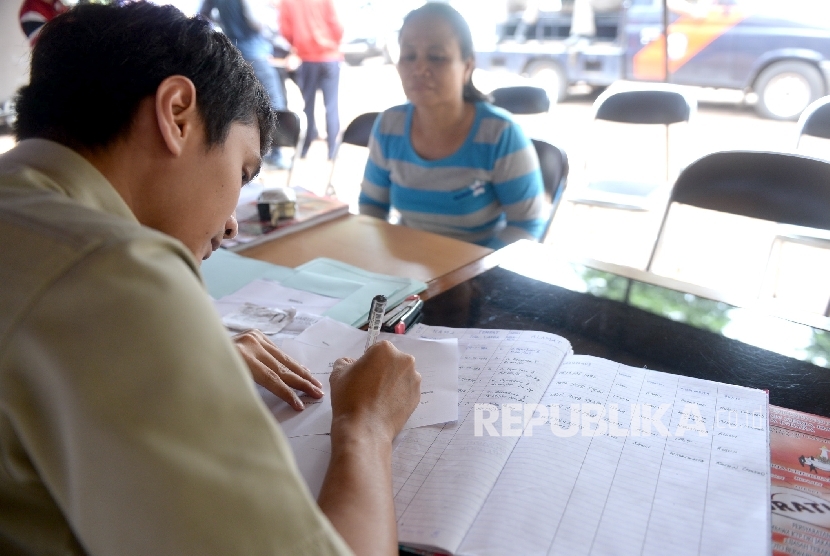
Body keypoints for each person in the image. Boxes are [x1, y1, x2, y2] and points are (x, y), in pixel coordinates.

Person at [0, 2, 421, 555]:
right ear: (177, 114)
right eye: (243, 172)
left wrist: (177, 356)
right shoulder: (115, 272)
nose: (229, 223)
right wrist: (366, 425)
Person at [358, 3, 548, 250]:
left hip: (475, 278)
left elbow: (527, 225)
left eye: (436, 57)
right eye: (408, 55)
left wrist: (475, 273)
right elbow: (371, 204)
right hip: (405, 276)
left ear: (467, 66)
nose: (419, 69)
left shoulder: (499, 135)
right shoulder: (388, 127)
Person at [199, 0, 290, 169]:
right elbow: (256, 22)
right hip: (256, 53)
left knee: (235, 106)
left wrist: (224, 24)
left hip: (232, 54)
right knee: (274, 103)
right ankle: (277, 155)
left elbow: (202, 17)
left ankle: (234, 152)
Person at [279, 0, 343, 160]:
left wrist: (299, 43)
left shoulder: (287, 2)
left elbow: (285, 30)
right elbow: (336, 26)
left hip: (307, 58)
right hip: (329, 57)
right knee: (331, 106)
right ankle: (332, 150)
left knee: (309, 105)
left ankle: (305, 148)